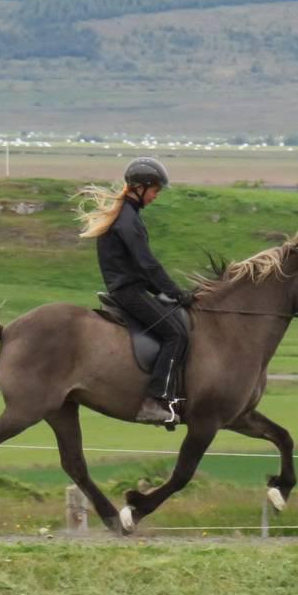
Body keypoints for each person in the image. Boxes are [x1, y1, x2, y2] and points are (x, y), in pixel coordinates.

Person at [76, 157, 193, 425]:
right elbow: (147, 264)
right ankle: (153, 402)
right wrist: (175, 292)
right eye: (155, 190)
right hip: (129, 293)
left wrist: (164, 292)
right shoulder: (127, 220)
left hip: (131, 288)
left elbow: (141, 268)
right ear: (140, 187)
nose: (155, 196)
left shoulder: (126, 216)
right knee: (176, 335)